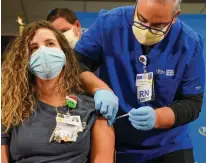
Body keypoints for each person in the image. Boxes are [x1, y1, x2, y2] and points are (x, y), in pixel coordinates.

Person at [74, 0, 205, 163]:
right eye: (141, 20)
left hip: (168, 145)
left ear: (175, 17)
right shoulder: (109, 24)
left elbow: (192, 102)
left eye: (157, 26)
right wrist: (100, 89)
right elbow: (75, 65)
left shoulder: (189, 43)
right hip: (115, 141)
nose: (146, 30)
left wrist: (158, 118)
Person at [1, 21, 115, 163]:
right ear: (25, 60)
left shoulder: (92, 109)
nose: (43, 51)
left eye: (50, 44)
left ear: (64, 53)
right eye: (34, 48)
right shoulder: (11, 107)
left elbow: (103, 158)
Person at [46, 8, 119, 126]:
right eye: (57, 34)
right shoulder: (52, 65)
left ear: (77, 25)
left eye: (65, 30)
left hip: (101, 118)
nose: (62, 37)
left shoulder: (100, 54)